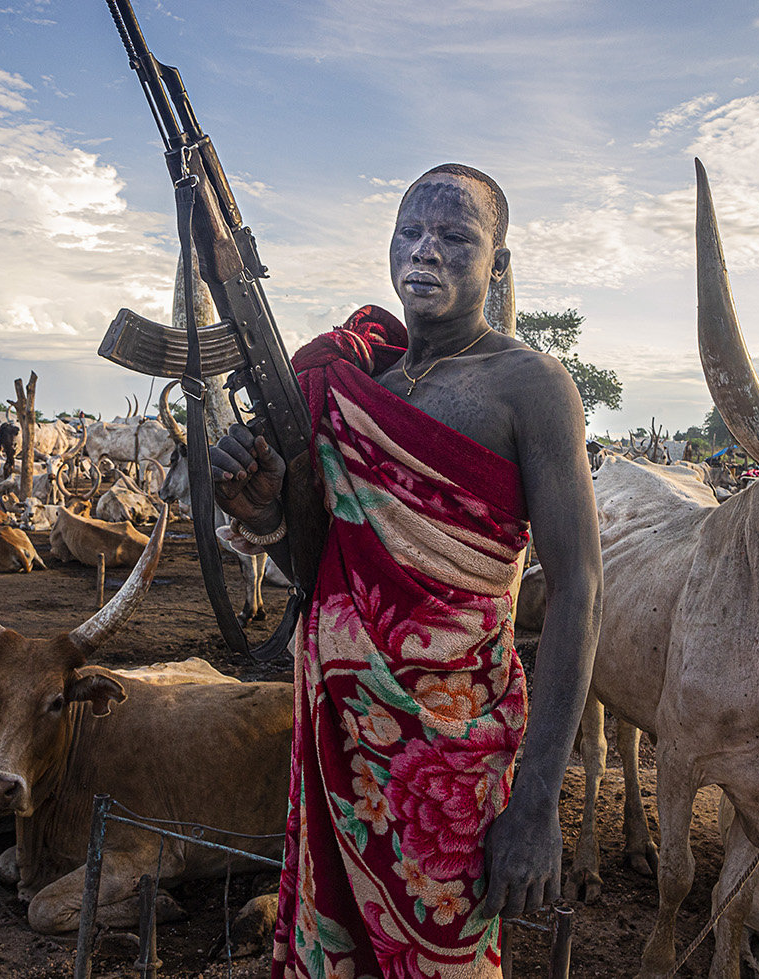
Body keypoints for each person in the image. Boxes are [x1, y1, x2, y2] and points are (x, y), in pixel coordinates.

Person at [210, 164, 603, 978]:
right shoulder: (349, 387)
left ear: (497, 264)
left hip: (450, 753)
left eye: (455, 236)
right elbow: (324, 569)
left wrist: (537, 803)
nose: (425, 251)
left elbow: (578, 589)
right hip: (334, 739)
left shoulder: (529, 385)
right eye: (409, 232)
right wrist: (260, 511)